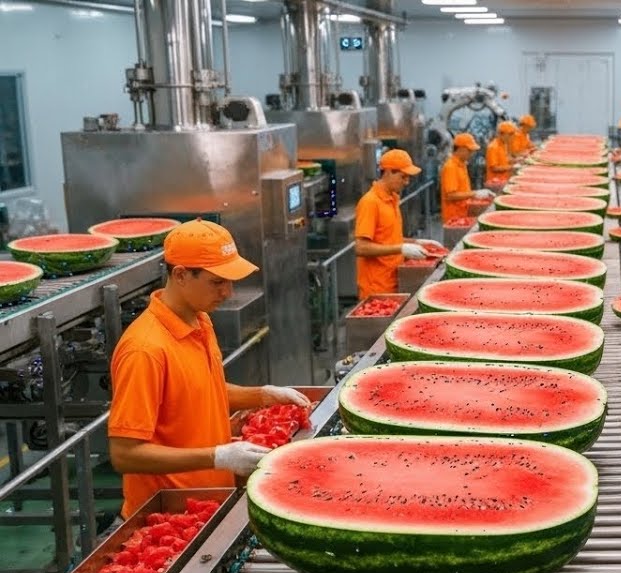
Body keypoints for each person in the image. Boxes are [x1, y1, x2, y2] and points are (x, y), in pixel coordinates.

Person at [108, 220, 312, 519]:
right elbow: (124, 454)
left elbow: (200, 392)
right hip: (166, 519)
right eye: (217, 282)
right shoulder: (145, 350)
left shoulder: (199, 320)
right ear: (180, 275)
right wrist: (217, 457)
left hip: (209, 505)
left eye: (230, 282)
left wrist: (264, 395)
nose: (228, 293)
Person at [353, 149, 445, 299]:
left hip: (395, 280)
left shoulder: (393, 199)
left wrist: (416, 242)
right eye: (403, 177)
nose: (407, 182)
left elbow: (388, 239)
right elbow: (361, 247)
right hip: (377, 289)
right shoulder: (370, 202)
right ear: (388, 172)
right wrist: (401, 248)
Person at [440, 132, 494, 226]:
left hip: (462, 213)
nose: (472, 153)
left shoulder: (462, 164)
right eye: (469, 150)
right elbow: (450, 195)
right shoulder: (451, 167)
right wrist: (475, 194)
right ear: (460, 149)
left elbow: (463, 190)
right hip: (453, 217)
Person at [485, 121, 517, 187]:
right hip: (494, 182)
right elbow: (494, 168)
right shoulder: (493, 147)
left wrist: (515, 160)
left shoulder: (503, 145)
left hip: (503, 180)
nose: (512, 137)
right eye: (510, 134)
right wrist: (511, 167)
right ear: (501, 134)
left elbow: (504, 159)